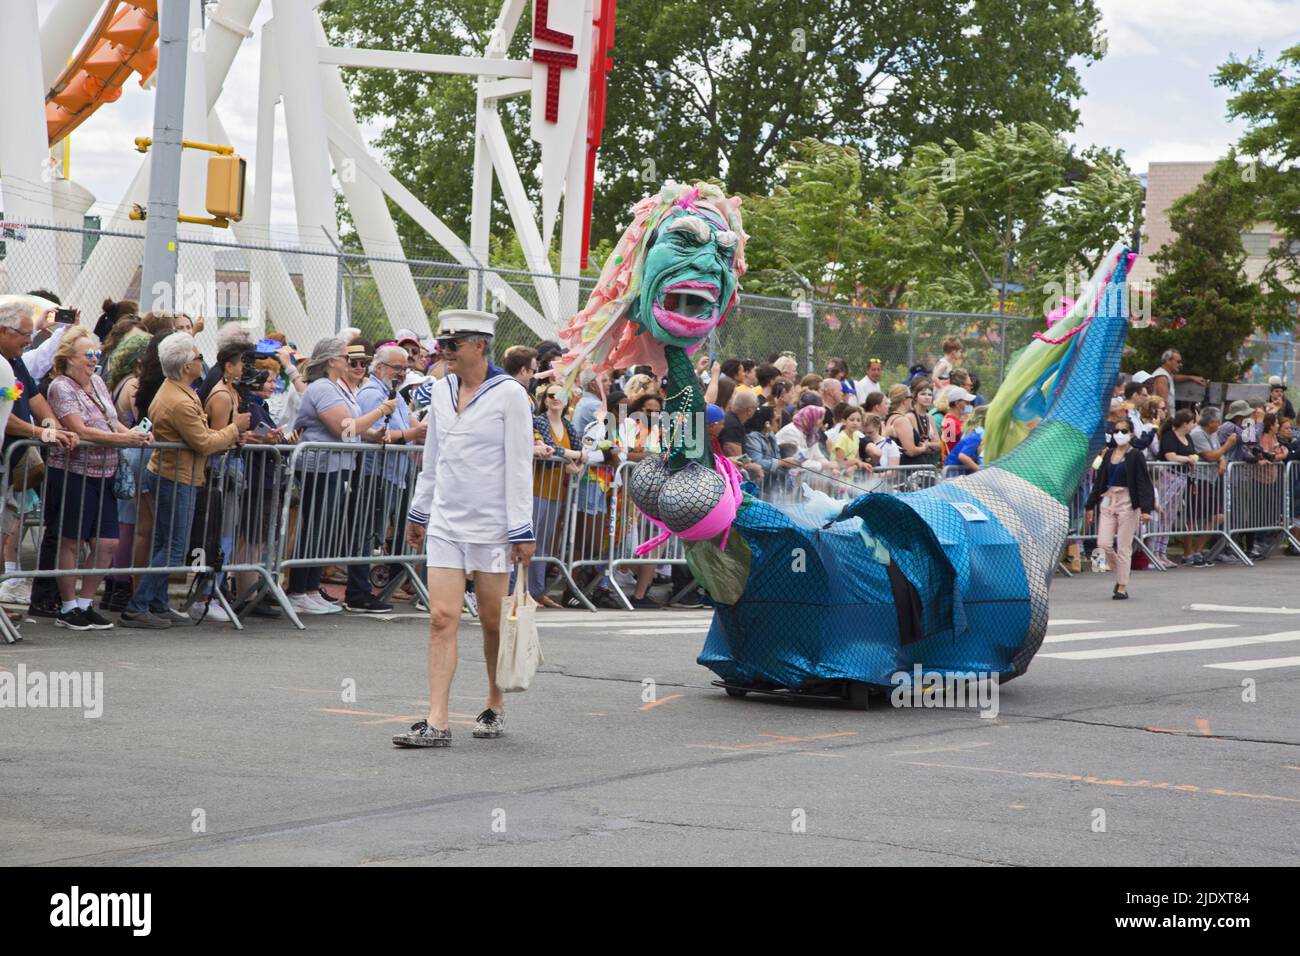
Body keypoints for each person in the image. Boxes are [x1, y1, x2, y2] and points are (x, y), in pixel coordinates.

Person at [395, 310, 535, 749]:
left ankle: (495, 701)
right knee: (441, 618)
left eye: (453, 345)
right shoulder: (439, 390)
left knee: (492, 621)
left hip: (493, 528)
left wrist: (521, 529)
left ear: (480, 345)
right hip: (446, 523)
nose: (444, 352)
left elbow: (519, 466)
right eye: (442, 344)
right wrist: (419, 513)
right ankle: (437, 719)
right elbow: (433, 457)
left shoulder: (510, 394)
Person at [45, 331, 154, 630]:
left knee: (107, 542)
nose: (94, 361)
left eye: (96, 355)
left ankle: (85, 603)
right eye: (88, 356)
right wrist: (124, 438)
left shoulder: (98, 382)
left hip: (104, 471)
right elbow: (79, 430)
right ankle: (67, 607)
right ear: (69, 359)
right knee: (71, 540)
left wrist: (131, 434)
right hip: (73, 472)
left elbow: (110, 420)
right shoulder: (60, 387)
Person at [286, 338, 396, 615]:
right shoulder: (323, 388)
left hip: (337, 464)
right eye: (346, 357)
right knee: (314, 528)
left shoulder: (336, 387)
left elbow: (353, 429)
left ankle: (310, 587)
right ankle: (299, 589)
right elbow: (344, 430)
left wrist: (371, 435)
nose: (351, 361)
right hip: (320, 466)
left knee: (324, 530)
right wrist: (379, 412)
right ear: (331, 360)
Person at [0, 301, 80, 610]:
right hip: (10, 455)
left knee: (5, 525)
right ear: (3, 331)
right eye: (24, 334)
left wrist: (54, 425)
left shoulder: (14, 361)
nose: (29, 341)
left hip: (10, 461)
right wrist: (42, 434)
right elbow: (5, 416)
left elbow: (33, 398)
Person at [347, 343, 427, 613]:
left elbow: (406, 426)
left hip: (392, 475)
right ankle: (357, 593)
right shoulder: (373, 394)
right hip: (374, 474)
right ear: (379, 367)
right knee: (365, 534)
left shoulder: (395, 395)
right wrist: (412, 435)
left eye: (406, 368)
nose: (402, 373)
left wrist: (423, 429)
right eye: (397, 368)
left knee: (376, 533)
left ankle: (366, 591)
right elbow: (376, 434)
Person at [1085, 420, 1154, 599]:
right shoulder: (1108, 454)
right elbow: (1099, 481)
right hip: (1108, 498)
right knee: (1103, 544)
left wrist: (1146, 509)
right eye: (1116, 430)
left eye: (1124, 431)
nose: (1119, 434)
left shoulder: (1136, 455)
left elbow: (1143, 482)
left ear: (1131, 434)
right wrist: (1090, 505)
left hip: (1128, 501)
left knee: (1124, 546)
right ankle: (1123, 571)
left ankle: (1122, 585)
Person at [1149, 409, 1199, 570]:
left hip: (1181, 479)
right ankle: (1152, 552)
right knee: (1159, 513)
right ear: (1185, 423)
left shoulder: (1188, 437)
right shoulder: (1170, 436)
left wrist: (1191, 459)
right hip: (1167, 477)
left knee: (1169, 517)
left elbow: (1192, 453)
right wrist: (1188, 459)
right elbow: (1170, 456)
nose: (1193, 425)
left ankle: (1162, 553)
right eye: (1192, 422)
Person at [1185, 405, 1232, 566]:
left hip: (1209, 480)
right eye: (1217, 421)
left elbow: (1218, 453)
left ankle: (1198, 550)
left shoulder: (1212, 434)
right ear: (1211, 422)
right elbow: (1210, 455)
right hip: (1198, 479)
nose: (1219, 424)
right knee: (1193, 517)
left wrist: (1223, 460)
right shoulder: (1198, 433)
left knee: (1218, 516)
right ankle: (1188, 553)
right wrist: (1228, 445)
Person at [720, 390, 764, 484]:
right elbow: (737, 458)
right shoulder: (733, 425)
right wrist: (754, 466)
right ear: (749, 410)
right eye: (755, 409)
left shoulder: (733, 420)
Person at [896, 377, 942, 467]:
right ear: (915, 397)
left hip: (927, 463)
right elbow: (917, 443)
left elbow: (939, 445)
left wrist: (928, 444)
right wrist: (930, 447)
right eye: (923, 394)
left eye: (929, 394)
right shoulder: (910, 416)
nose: (927, 397)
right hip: (912, 464)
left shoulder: (929, 417)